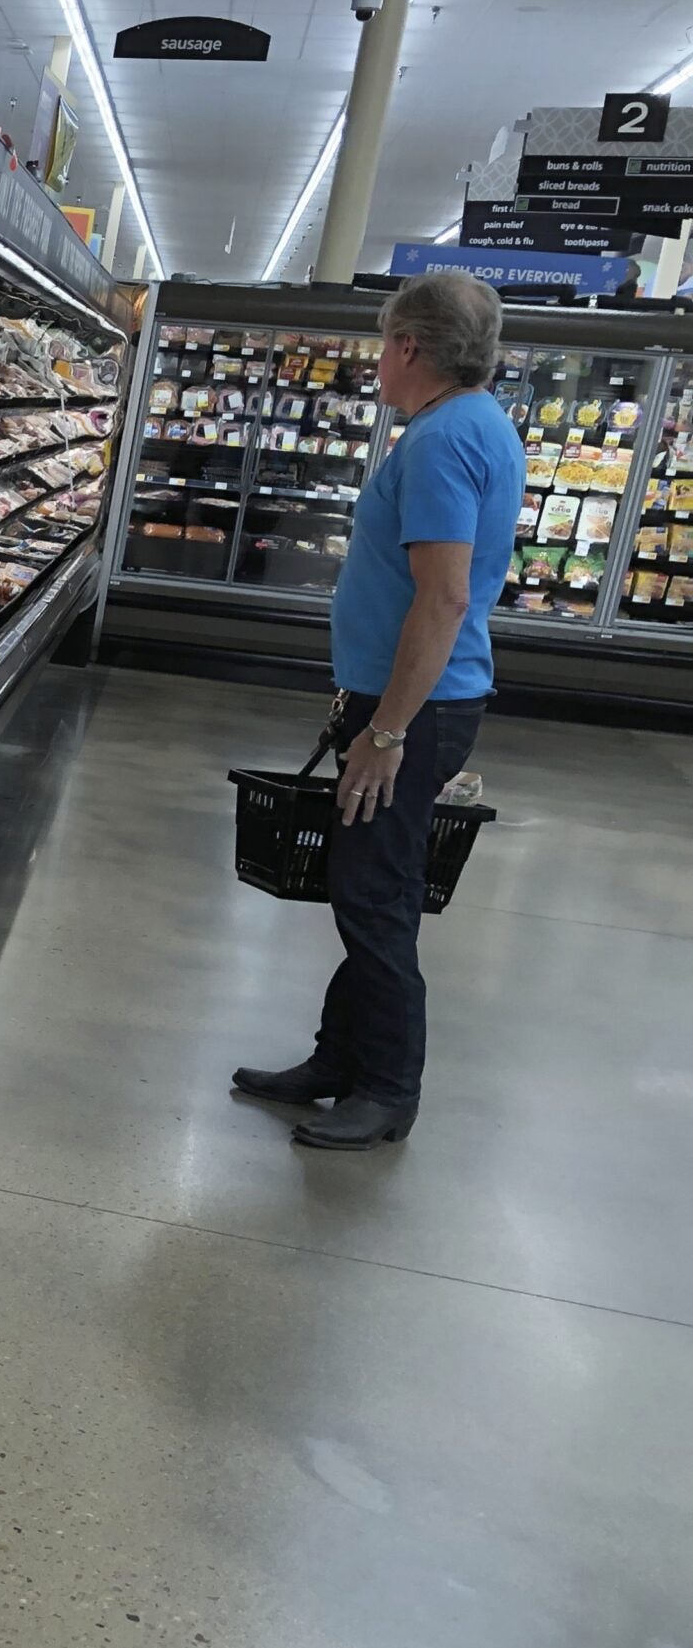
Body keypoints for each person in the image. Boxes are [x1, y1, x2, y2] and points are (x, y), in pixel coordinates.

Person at [233, 270, 521, 1150]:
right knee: (366, 884)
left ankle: (389, 1089)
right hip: (410, 697)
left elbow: (441, 599)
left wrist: (388, 729)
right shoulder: (474, 423)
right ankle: (338, 1060)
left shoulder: (439, 442)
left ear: (408, 346)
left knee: (377, 894)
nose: (377, 362)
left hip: (418, 710)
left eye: (382, 344)